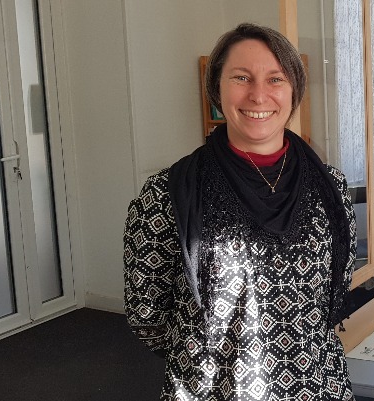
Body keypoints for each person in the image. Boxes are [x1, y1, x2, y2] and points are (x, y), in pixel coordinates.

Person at [123, 23, 357, 401]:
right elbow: (146, 315)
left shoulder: (331, 190)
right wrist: (208, 358)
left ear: (294, 90)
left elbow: (337, 290)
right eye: (241, 77)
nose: (258, 94)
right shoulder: (168, 194)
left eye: (275, 79)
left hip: (317, 387)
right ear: (217, 89)